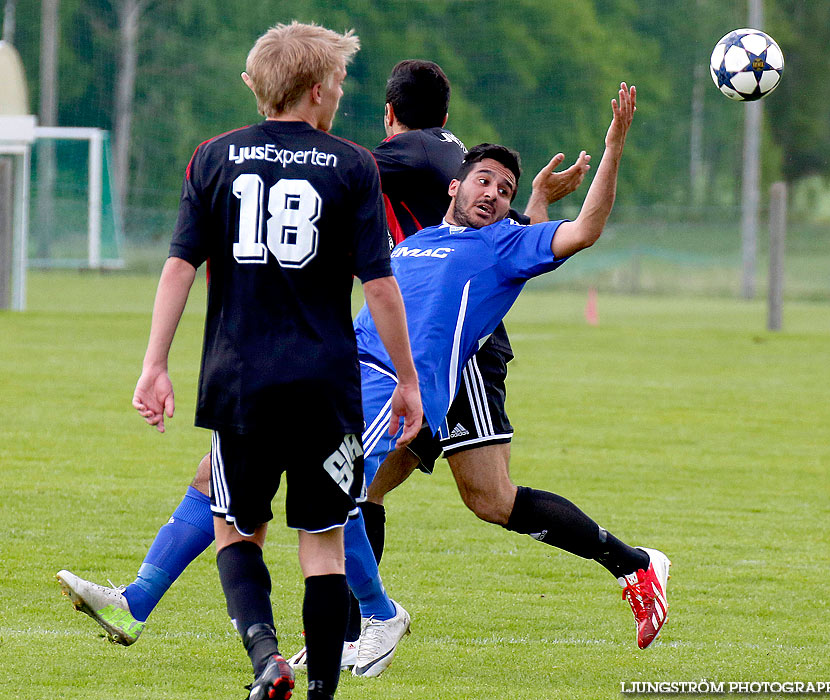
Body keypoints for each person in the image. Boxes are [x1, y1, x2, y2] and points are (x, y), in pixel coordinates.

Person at [55, 58, 585, 667]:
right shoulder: (430, 162)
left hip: (387, 359)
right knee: (241, 484)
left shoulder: (376, 159)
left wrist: (410, 379)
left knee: (346, 506)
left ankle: (370, 621)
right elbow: (499, 241)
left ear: (391, 117)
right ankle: (142, 603)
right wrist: (533, 206)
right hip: (338, 357)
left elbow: (434, 264)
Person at [64, 22, 423, 700]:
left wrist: (154, 364)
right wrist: (406, 380)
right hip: (326, 388)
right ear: (317, 90)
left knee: (236, 527)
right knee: (321, 545)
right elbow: (379, 285)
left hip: (240, 385)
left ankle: (265, 659)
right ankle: (320, 689)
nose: (341, 96)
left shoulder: (213, 157)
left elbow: (178, 267)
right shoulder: (353, 166)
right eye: (340, 85)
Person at [353, 83, 672, 652]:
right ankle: (357, 625)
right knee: (370, 489)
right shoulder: (419, 240)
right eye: (484, 181)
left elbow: (578, 234)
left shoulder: (498, 242)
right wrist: (539, 204)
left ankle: (635, 566)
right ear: (456, 186)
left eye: (506, 190)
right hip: (400, 376)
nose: (494, 193)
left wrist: (615, 148)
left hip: (459, 367)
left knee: (485, 499)